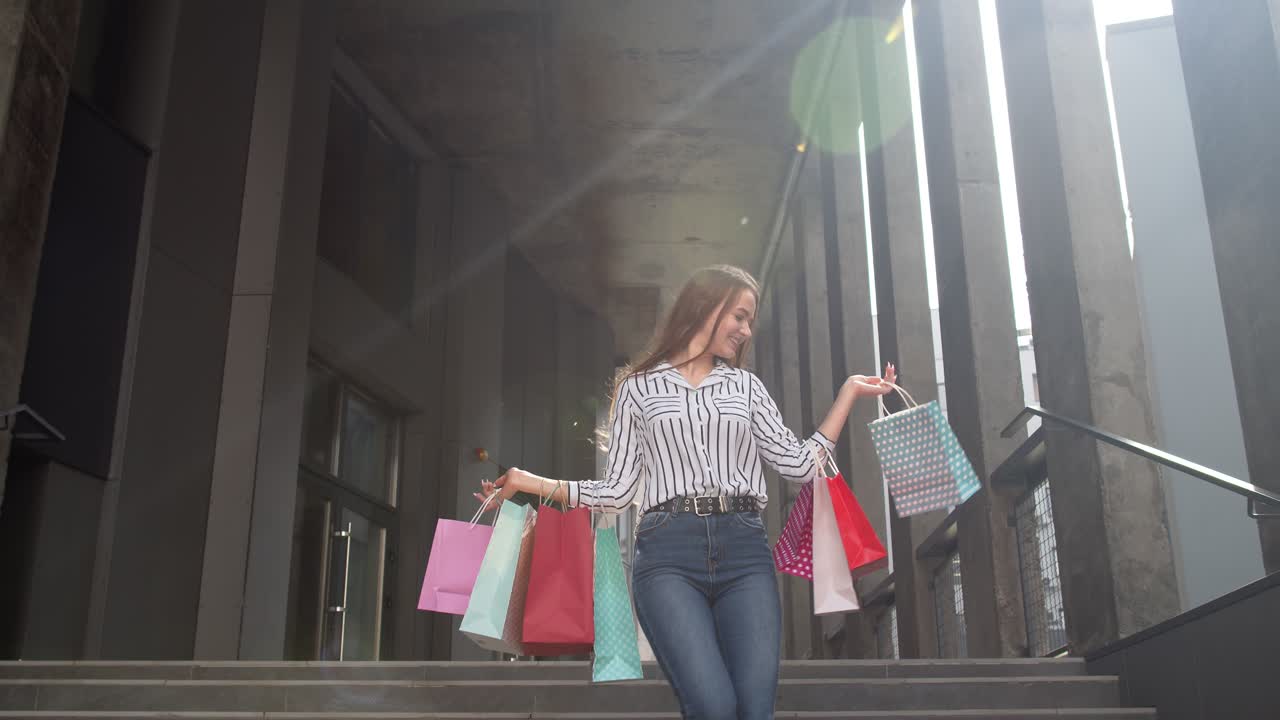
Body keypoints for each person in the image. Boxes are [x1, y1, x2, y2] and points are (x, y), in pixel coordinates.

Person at [479, 264, 895, 720]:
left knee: (755, 710)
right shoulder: (638, 389)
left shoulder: (747, 388)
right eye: (739, 315)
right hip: (666, 556)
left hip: (744, 552)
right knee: (714, 706)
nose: (745, 329)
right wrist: (527, 481)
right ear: (706, 306)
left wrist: (848, 394)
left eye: (749, 320)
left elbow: (797, 464)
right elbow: (617, 491)